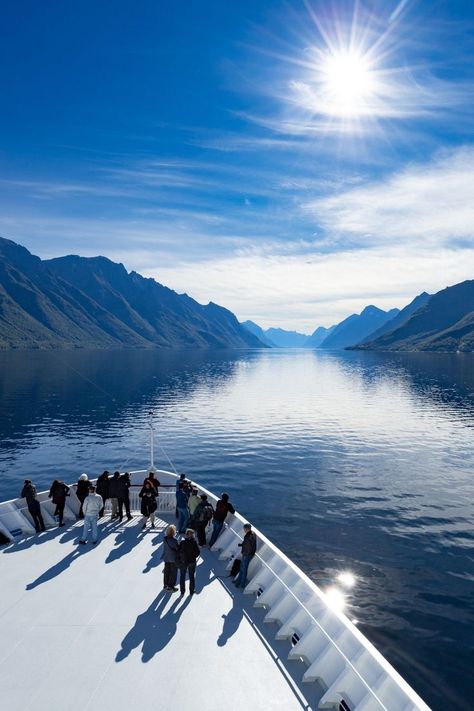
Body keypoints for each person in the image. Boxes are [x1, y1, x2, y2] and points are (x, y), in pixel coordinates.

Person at [178, 528, 200, 596]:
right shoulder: (194, 543)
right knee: (191, 577)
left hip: (183, 562)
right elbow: (198, 552)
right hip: (192, 562)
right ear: (193, 535)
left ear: (186, 535)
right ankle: (191, 591)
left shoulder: (182, 543)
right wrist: (193, 557)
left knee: (182, 577)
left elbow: (178, 552)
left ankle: (182, 591)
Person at [234, 523, 257, 589]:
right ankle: (238, 581)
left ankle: (242, 584)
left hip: (246, 555)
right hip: (248, 554)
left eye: (244, 529)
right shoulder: (253, 534)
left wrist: (244, 554)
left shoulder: (248, 536)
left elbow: (248, 547)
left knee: (244, 569)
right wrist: (242, 545)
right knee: (242, 568)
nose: (243, 530)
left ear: (247, 529)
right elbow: (249, 545)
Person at [161, 524, 179, 592]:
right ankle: (171, 587)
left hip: (166, 557)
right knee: (173, 573)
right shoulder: (174, 540)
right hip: (173, 558)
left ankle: (165, 585)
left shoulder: (164, 538)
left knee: (166, 572)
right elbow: (177, 548)